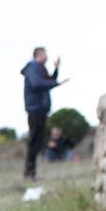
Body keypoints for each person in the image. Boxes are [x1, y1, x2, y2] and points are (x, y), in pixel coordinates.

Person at [21, 46, 63, 181]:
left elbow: (49, 81)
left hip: (40, 108)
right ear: (39, 54)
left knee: (37, 141)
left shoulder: (39, 68)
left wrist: (56, 70)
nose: (47, 56)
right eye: (45, 53)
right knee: (34, 141)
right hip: (35, 108)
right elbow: (37, 83)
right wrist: (54, 83)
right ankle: (29, 172)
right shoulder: (33, 67)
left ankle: (31, 172)